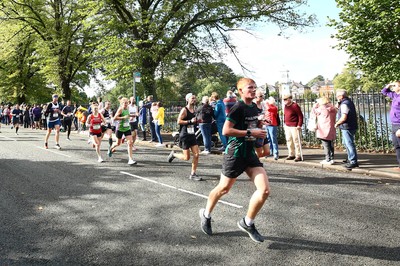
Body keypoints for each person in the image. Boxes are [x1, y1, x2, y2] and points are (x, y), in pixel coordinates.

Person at [198, 78, 269, 243]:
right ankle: (206, 214)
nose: (253, 90)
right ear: (241, 91)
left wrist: (259, 123)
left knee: (264, 190)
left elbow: (248, 125)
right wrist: (251, 133)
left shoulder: (254, 107)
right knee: (223, 189)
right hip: (235, 153)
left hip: (249, 153)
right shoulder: (238, 107)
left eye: (254, 87)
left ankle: (247, 222)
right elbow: (226, 130)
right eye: (249, 88)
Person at [167, 93, 202, 181]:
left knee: (196, 154)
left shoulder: (195, 110)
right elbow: (179, 121)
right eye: (192, 98)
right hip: (185, 135)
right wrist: (190, 121)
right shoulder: (184, 110)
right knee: (187, 157)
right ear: (187, 99)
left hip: (192, 134)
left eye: (195, 98)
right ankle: (173, 154)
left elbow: (194, 121)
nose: (194, 99)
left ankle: (193, 174)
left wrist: (198, 121)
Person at [335, 89, 359, 169]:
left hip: (347, 126)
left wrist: (337, 123)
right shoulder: (348, 102)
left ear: (341, 96)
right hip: (350, 125)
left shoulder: (344, 104)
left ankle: (353, 161)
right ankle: (350, 158)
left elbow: (344, 117)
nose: (336, 97)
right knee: (347, 143)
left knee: (349, 144)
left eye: (337, 96)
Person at [111, 97, 137, 165]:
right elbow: (114, 118)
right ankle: (111, 148)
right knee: (118, 143)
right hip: (120, 128)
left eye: (127, 103)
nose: (125, 104)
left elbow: (127, 115)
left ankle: (130, 159)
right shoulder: (120, 109)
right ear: (121, 103)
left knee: (130, 142)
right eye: (124, 103)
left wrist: (132, 115)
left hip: (127, 128)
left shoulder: (128, 108)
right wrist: (123, 117)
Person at [381, 81, 400, 171]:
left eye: (395, 86)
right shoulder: (395, 95)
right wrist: (389, 85)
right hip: (394, 124)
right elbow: (384, 92)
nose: (393, 87)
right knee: (397, 145)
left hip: (399, 125)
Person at [312, 97, 337, 164]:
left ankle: (327, 159)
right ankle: (331, 158)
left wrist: (315, 106)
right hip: (331, 128)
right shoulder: (333, 108)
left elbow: (314, 112)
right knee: (331, 144)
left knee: (325, 144)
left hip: (323, 128)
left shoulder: (322, 108)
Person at [283, 94, 303, 161]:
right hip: (287, 126)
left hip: (294, 126)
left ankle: (298, 155)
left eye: (285, 99)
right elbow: (285, 115)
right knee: (289, 140)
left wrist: (299, 125)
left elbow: (300, 116)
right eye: (283, 99)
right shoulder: (286, 106)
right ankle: (291, 154)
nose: (284, 101)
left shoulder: (295, 106)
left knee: (296, 141)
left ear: (289, 99)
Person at [254, 90, 270, 158]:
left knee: (267, 152)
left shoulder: (263, 104)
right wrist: (259, 120)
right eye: (260, 96)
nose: (262, 97)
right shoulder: (253, 105)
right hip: (255, 130)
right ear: (255, 97)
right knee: (259, 152)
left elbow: (264, 115)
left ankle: (251, 161)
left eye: (263, 96)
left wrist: (265, 120)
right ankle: (252, 163)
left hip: (262, 129)